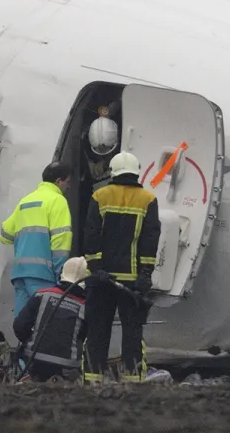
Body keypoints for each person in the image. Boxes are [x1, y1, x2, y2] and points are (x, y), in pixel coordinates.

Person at [82, 152, 160, 383]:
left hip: (101, 280)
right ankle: (133, 382)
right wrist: (145, 274)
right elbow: (150, 240)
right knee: (133, 335)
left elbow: (91, 235)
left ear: (113, 172)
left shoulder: (100, 196)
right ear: (136, 172)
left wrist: (96, 268)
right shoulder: (148, 200)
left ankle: (91, 382)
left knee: (97, 332)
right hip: (133, 283)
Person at [0, 161, 74, 316]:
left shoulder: (25, 201)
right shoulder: (57, 201)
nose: (69, 187)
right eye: (68, 182)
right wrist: (61, 276)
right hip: (43, 275)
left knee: (22, 324)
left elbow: (5, 234)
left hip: (21, 274)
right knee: (44, 325)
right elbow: (61, 242)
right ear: (58, 181)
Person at [14, 256, 90, 382]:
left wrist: (33, 342)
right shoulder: (86, 306)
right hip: (68, 366)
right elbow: (84, 337)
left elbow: (20, 326)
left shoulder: (41, 295)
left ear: (62, 274)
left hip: (35, 359)